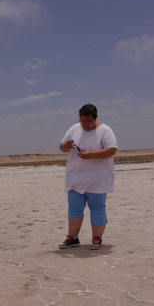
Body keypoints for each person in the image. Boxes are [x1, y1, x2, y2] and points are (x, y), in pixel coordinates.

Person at [58, 103, 118, 250]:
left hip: (98, 179)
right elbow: (61, 147)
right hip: (75, 178)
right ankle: (72, 238)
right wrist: (66, 145)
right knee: (74, 208)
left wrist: (91, 155)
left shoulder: (105, 130)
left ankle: (97, 239)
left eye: (88, 121)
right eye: (82, 121)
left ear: (95, 118)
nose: (84, 124)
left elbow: (111, 150)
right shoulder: (74, 128)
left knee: (97, 208)